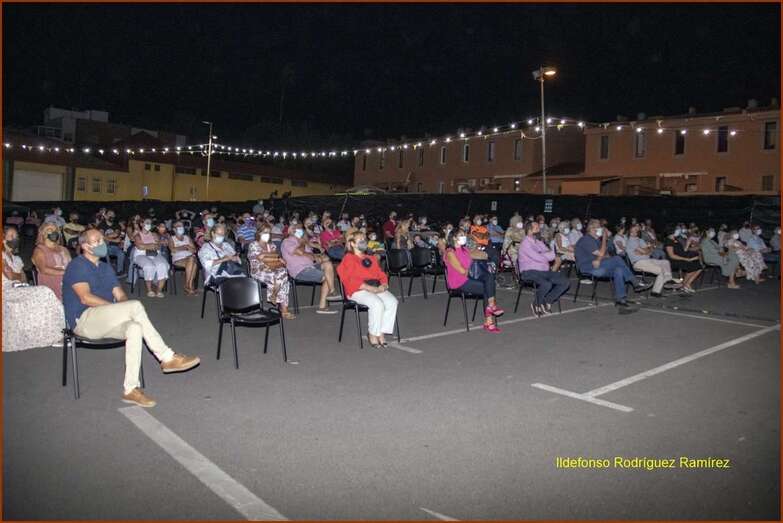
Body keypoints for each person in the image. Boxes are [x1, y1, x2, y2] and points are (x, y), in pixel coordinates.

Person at [62, 229, 200, 407]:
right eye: (96, 241)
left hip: (105, 320)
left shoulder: (105, 267)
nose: (102, 244)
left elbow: (120, 295)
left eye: (102, 240)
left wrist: (121, 308)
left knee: (134, 328)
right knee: (134, 306)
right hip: (84, 321)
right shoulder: (77, 265)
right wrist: (119, 309)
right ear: (85, 246)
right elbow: (85, 298)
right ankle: (167, 357)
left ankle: (130, 389)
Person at [336, 231, 398, 348]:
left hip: (374, 287)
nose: (363, 241)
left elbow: (381, 274)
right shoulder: (348, 258)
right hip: (357, 290)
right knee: (377, 303)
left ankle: (381, 332)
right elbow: (349, 279)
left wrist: (384, 284)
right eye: (360, 240)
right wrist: (370, 288)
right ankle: (373, 334)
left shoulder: (371, 258)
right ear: (353, 244)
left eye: (364, 239)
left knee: (392, 301)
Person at [575, 219, 650, 312]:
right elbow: (602, 253)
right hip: (587, 267)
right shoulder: (586, 239)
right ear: (591, 228)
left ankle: (620, 299)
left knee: (619, 269)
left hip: (598, 265)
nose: (601, 229)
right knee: (617, 259)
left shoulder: (596, 240)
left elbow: (607, 255)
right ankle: (635, 282)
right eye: (599, 227)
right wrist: (604, 238)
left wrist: (600, 257)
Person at [444, 229, 504, 333]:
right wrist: (470, 268)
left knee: (489, 277)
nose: (464, 237)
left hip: (468, 278)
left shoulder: (465, 249)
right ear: (454, 238)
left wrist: (486, 253)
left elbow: (479, 255)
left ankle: (491, 307)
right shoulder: (450, 252)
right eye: (461, 235)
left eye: (464, 235)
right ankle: (489, 320)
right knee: (487, 288)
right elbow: (462, 271)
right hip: (458, 282)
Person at [280, 224, 339, 314]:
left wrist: (314, 256)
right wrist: (302, 245)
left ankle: (332, 291)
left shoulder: (303, 242)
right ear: (290, 231)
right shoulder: (287, 241)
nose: (299, 230)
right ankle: (324, 304)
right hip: (299, 270)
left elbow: (312, 257)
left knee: (328, 264)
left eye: (300, 228)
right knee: (326, 277)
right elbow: (300, 252)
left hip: (311, 266)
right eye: (296, 228)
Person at [518, 221, 570, 316]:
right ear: (529, 230)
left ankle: (547, 301)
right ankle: (536, 303)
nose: (539, 230)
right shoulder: (525, 243)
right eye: (537, 228)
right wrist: (546, 255)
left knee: (565, 282)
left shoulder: (538, 242)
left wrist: (544, 254)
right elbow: (540, 258)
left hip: (543, 271)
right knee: (546, 284)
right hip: (528, 272)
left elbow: (550, 253)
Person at [248, 225, 295, 319]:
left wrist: (280, 259)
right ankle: (283, 309)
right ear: (259, 233)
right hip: (259, 270)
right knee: (282, 279)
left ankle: (274, 295)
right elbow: (255, 259)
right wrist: (264, 256)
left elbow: (275, 258)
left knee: (282, 274)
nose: (267, 234)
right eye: (265, 232)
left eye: (269, 233)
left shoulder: (271, 245)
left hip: (273, 269)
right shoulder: (253, 245)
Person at [626, 224, 677, 297]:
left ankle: (668, 280)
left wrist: (645, 250)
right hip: (638, 263)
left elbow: (650, 251)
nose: (636, 231)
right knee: (661, 270)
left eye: (637, 230)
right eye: (634, 230)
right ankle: (657, 290)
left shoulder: (640, 240)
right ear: (630, 232)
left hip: (647, 260)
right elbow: (645, 251)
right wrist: (646, 250)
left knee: (665, 262)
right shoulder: (631, 241)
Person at [32, 222, 72, 300]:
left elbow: (71, 265)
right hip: (51, 283)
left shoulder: (64, 249)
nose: (54, 232)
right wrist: (65, 272)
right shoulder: (39, 250)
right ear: (43, 234)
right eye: (49, 230)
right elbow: (43, 269)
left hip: (68, 281)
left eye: (56, 230)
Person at [131, 219, 169, 297]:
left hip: (155, 254)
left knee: (163, 265)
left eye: (150, 223)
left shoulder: (154, 234)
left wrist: (148, 245)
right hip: (141, 255)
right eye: (147, 223)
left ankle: (159, 290)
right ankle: (149, 290)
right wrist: (151, 245)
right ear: (141, 224)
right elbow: (140, 246)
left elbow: (158, 246)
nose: (149, 224)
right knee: (149, 266)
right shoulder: (137, 235)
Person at [663, 226, 703, 293]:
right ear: (671, 231)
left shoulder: (676, 239)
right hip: (674, 260)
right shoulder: (668, 241)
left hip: (682, 257)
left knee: (699, 267)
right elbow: (672, 256)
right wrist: (687, 259)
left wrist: (687, 244)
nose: (679, 230)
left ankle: (686, 284)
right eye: (677, 229)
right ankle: (684, 285)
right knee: (693, 266)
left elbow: (683, 251)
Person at [168, 221, 199, 295]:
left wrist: (186, 246)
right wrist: (185, 247)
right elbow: (172, 249)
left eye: (181, 225)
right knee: (193, 261)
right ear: (174, 229)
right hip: (178, 259)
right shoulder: (172, 238)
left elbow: (194, 250)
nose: (181, 227)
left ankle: (188, 285)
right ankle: (188, 285)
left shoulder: (187, 237)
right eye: (178, 226)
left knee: (192, 261)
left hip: (190, 258)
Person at [97, 211, 126, 275]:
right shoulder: (101, 225)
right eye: (110, 214)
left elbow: (116, 234)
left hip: (114, 247)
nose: (112, 216)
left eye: (113, 214)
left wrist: (105, 237)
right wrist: (114, 240)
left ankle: (120, 271)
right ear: (106, 216)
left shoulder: (116, 225)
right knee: (105, 253)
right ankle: (109, 270)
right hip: (104, 246)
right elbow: (101, 236)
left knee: (121, 254)